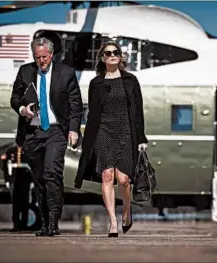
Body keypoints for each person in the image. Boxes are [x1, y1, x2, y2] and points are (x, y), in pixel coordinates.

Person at [10, 37, 83, 237]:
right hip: (32, 133)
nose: (41, 60)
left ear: (51, 54)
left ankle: (53, 223)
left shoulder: (66, 73)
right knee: (40, 179)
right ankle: (44, 223)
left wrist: (74, 129)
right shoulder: (25, 71)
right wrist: (23, 109)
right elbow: (14, 98)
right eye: (37, 57)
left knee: (53, 174)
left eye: (44, 56)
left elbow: (75, 104)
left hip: (55, 131)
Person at [74, 41, 148, 237]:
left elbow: (138, 112)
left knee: (124, 180)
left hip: (126, 132)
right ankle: (113, 222)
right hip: (103, 132)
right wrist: (86, 138)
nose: (112, 55)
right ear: (102, 58)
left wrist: (141, 137)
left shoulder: (131, 81)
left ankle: (126, 211)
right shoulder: (96, 83)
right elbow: (92, 115)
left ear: (121, 57)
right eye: (108, 53)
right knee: (107, 176)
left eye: (115, 52)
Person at [1, 144, 33, 232]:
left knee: (25, 203)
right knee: (15, 204)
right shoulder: (10, 151)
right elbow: (4, 165)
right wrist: (7, 179)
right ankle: (16, 225)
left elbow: (33, 167)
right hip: (13, 180)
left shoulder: (29, 151)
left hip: (25, 180)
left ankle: (24, 225)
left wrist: (32, 181)